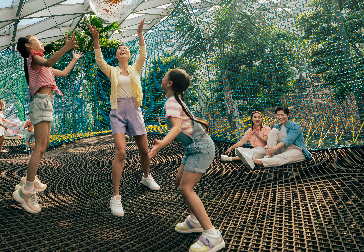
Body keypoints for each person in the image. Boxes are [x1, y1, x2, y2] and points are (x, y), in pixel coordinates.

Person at [88, 18, 160, 217]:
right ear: (117, 55)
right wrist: (96, 40)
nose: (122, 49)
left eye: (126, 48)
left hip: (134, 110)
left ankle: (146, 176)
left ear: (129, 54)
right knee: (120, 152)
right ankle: (116, 197)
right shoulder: (112, 71)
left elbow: (143, 54)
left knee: (144, 151)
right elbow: (99, 61)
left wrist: (139, 35)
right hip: (118, 111)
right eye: (119, 48)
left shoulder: (135, 68)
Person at [149, 69, 225, 252]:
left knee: (185, 188)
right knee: (179, 181)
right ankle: (195, 220)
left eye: (165, 76)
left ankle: (212, 235)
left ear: (170, 83)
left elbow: (175, 128)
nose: (162, 77)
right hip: (193, 148)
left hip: (200, 148)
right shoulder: (176, 99)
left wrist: (161, 145)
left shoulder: (171, 102)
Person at [14, 34, 82, 213]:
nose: (42, 42)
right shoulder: (33, 58)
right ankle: (26, 191)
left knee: (43, 145)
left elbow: (64, 72)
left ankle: (29, 180)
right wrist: (65, 48)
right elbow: (48, 62)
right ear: (29, 46)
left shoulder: (43, 66)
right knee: (40, 147)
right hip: (42, 102)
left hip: (46, 103)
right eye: (38, 39)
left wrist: (73, 59)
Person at [237, 106, 312, 169]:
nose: (280, 117)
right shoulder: (277, 127)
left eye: (282, 115)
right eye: (278, 115)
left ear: (287, 115)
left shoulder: (295, 126)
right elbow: (272, 139)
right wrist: (270, 149)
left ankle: (254, 161)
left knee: (282, 157)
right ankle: (268, 156)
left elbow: (287, 140)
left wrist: (274, 148)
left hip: (296, 150)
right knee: (274, 131)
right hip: (280, 149)